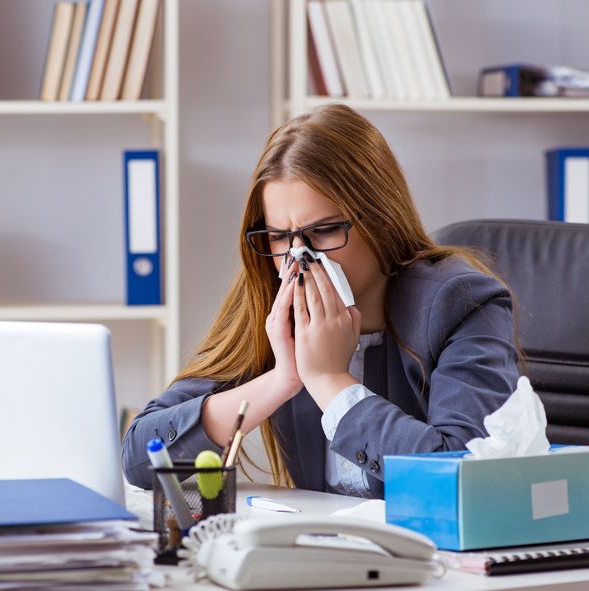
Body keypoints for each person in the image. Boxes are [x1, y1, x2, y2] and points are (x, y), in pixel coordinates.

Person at [122, 104, 519, 498]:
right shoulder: (270, 298)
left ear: (381, 220)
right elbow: (141, 456)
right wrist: (283, 380)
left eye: (324, 231)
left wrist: (330, 382)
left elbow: (463, 480)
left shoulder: (463, 302)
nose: (298, 257)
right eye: (279, 237)